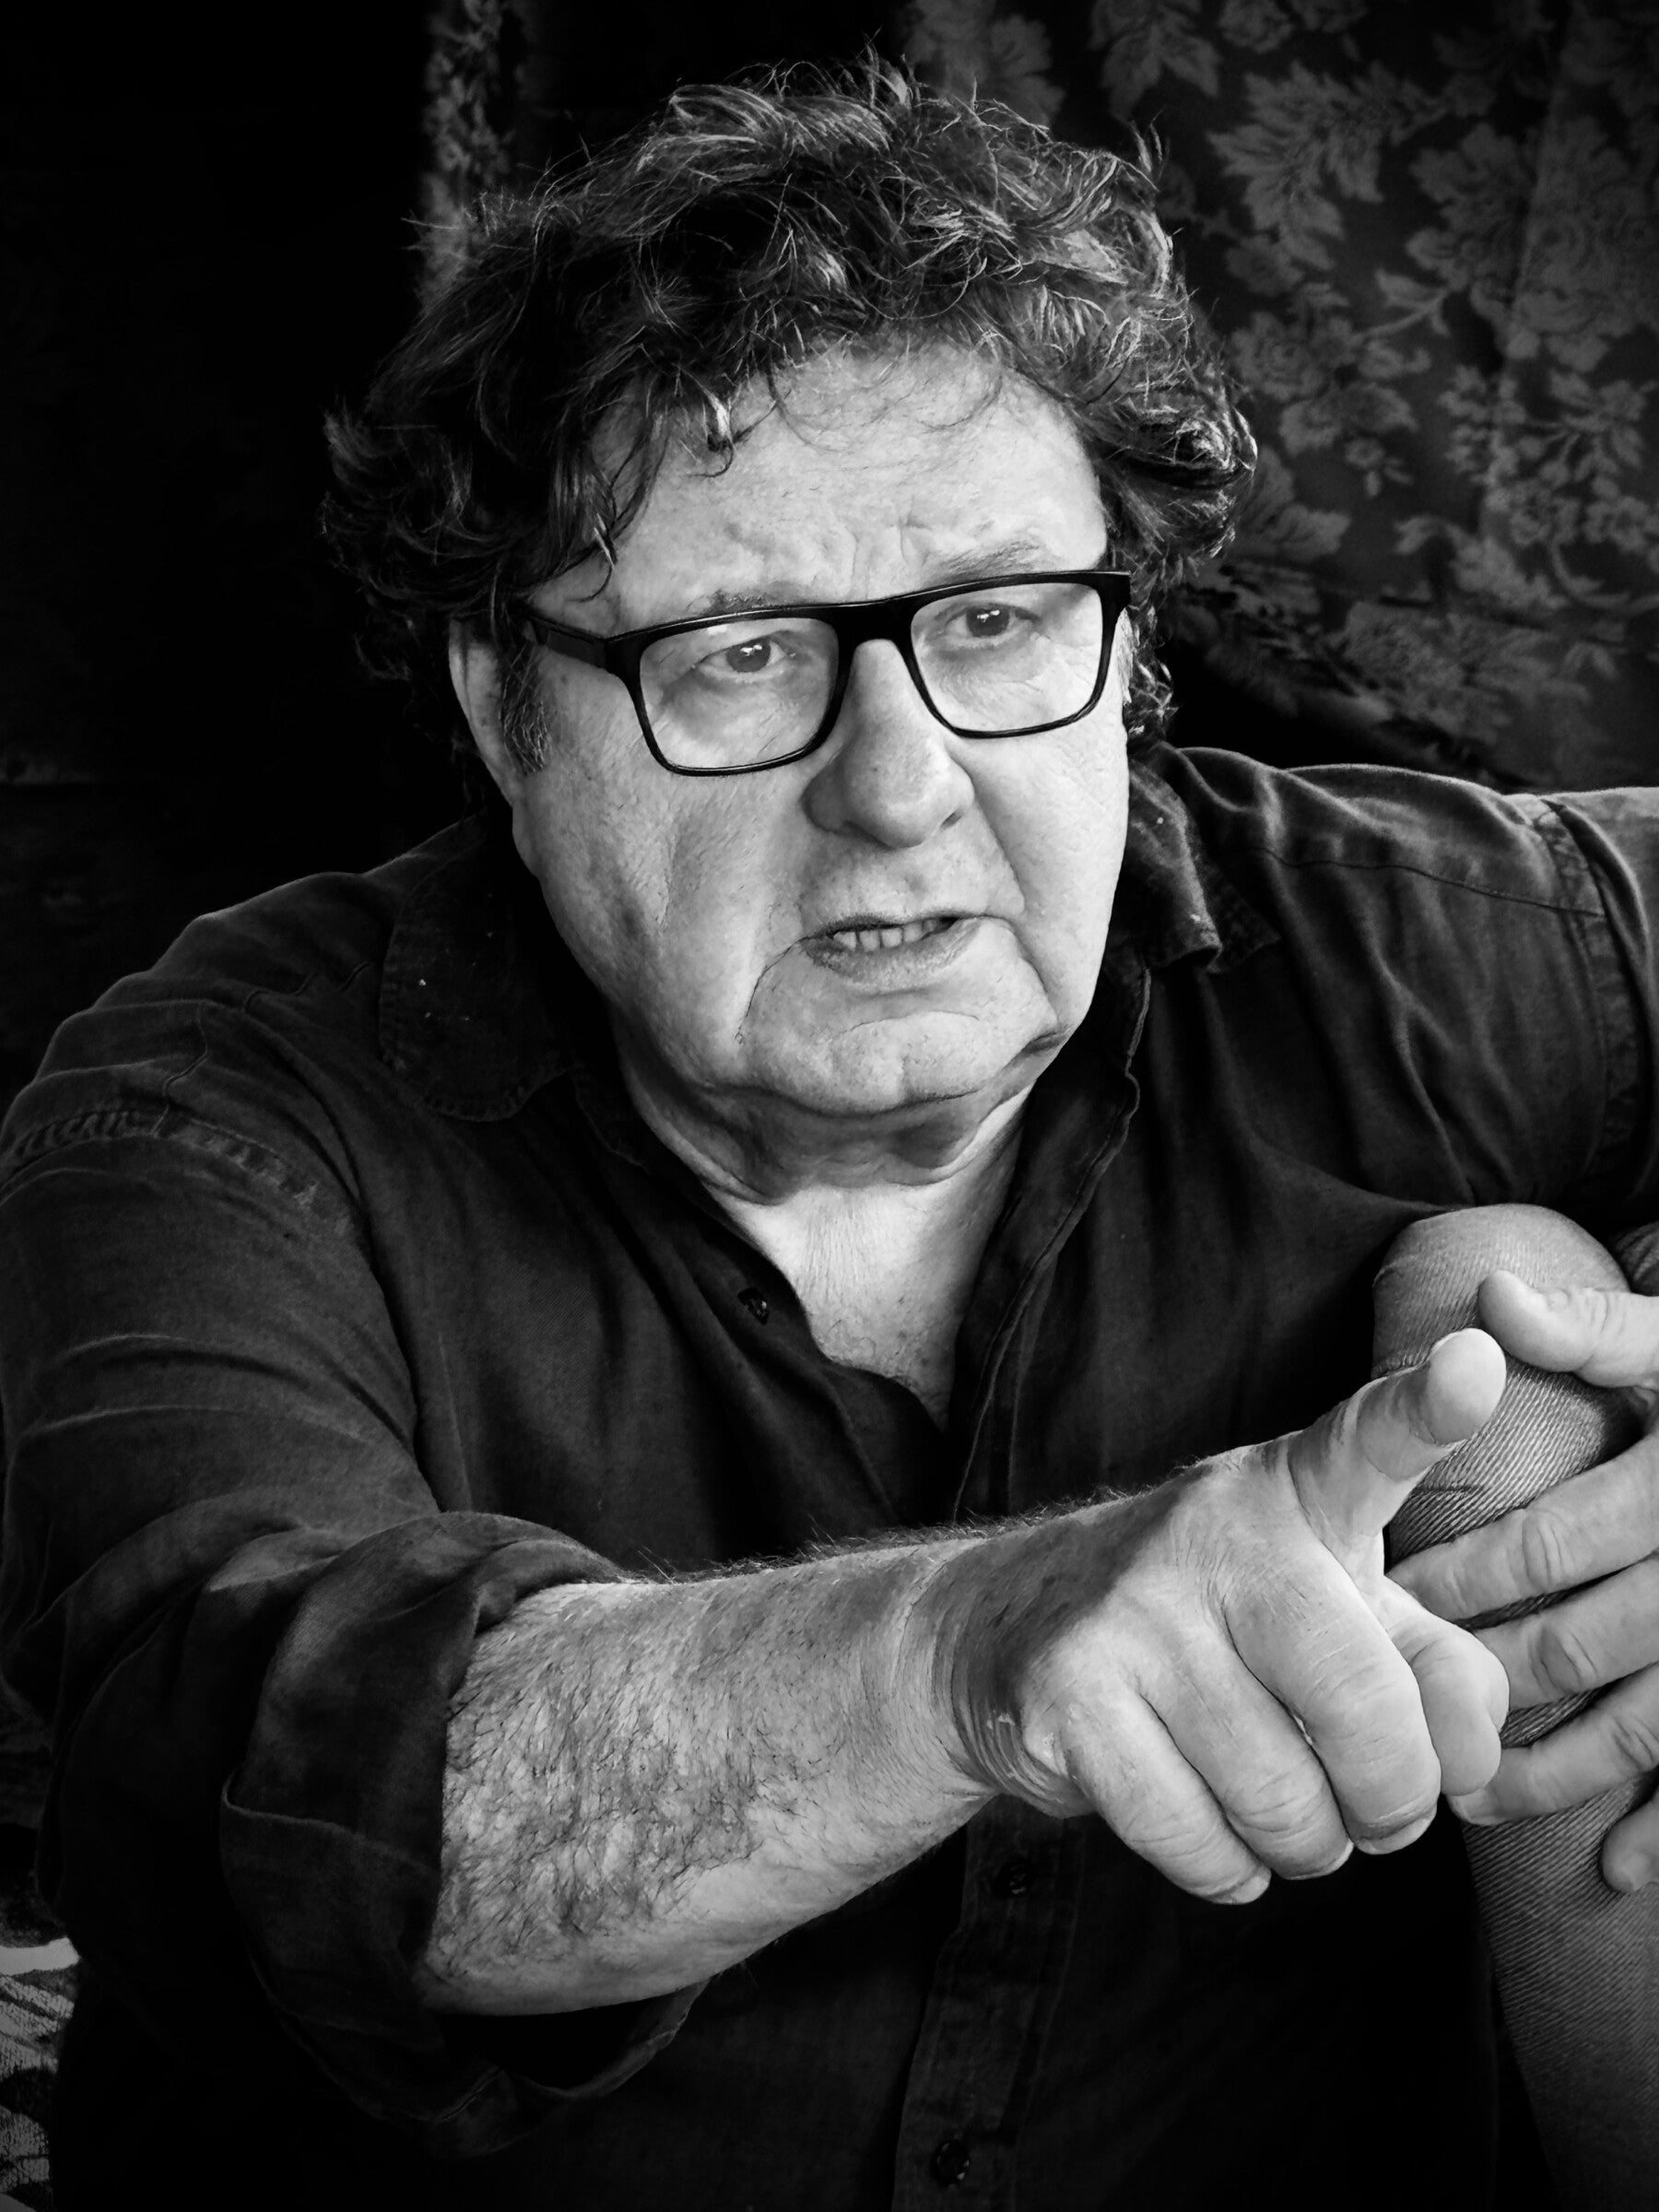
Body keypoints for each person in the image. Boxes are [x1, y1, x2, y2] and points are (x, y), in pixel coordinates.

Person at [2, 62, 1657, 2211]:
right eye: (743, 655)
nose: (897, 785)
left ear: (1128, 647)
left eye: (999, 624)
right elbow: (336, 1823)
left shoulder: (1409, 950)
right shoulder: (206, 1128)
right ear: (505, 703)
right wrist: (978, 1649)